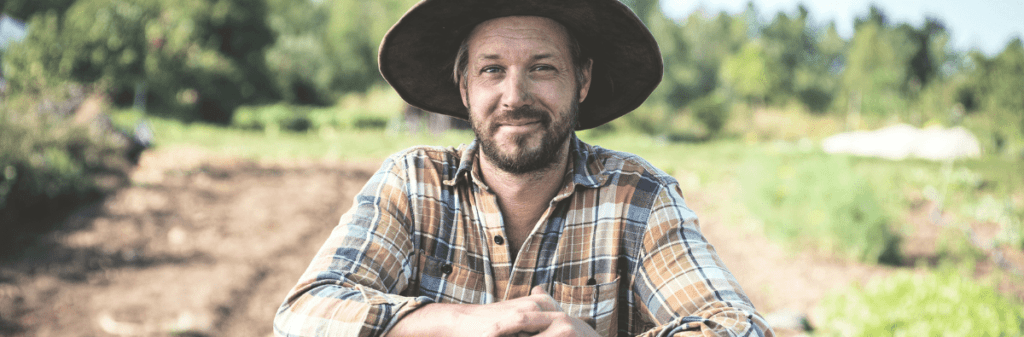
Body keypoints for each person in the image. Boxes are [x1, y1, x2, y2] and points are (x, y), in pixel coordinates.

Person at [274, 0, 773, 336]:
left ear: (581, 80)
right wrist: (464, 322)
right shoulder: (413, 183)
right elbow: (304, 313)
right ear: (466, 87)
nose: (515, 96)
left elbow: (736, 326)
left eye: (542, 68)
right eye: (493, 70)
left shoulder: (637, 198)